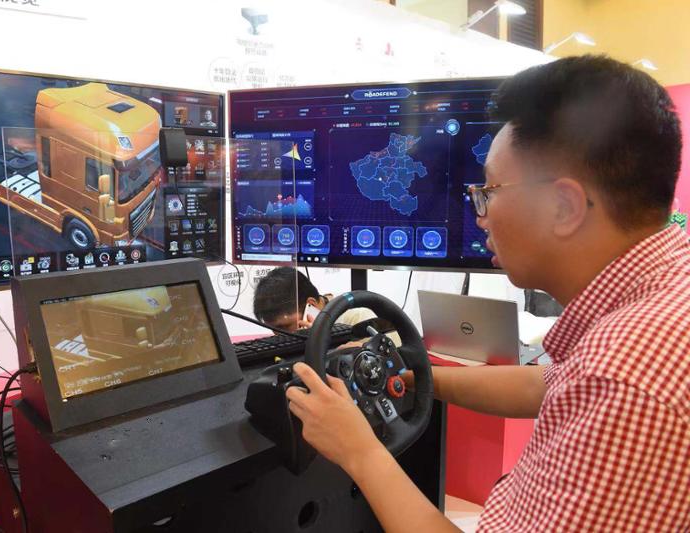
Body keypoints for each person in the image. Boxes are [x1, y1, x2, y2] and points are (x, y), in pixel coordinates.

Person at [287, 55, 690, 532]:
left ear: (563, 206)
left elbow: (601, 380)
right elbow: (548, 383)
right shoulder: (664, 288)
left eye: (489, 192)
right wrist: (415, 376)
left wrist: (359, 452)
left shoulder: (625, 379)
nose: (480, 216)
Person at [253, 266, 383, 332]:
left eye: (285, 327)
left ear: (311, 306)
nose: (280, 337)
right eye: (275, 330)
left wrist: (318, 339)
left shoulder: (358, 318)